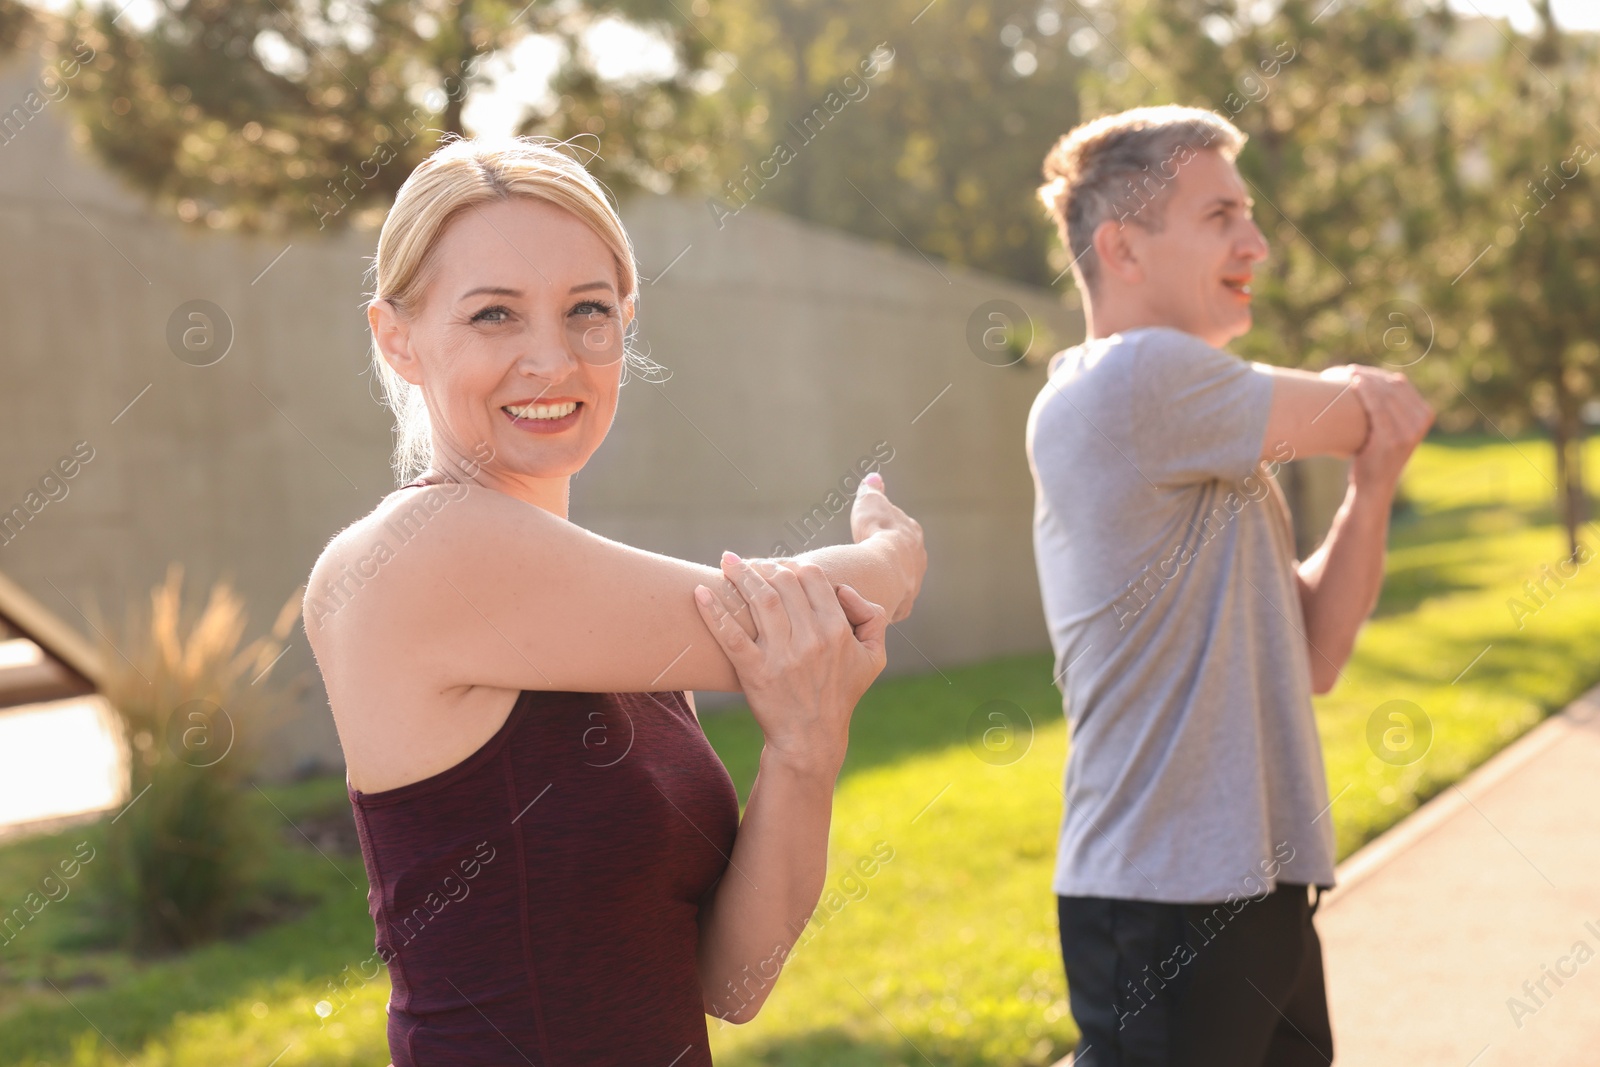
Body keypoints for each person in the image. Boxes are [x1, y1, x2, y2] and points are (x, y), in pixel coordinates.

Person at [301, 135, 926, 1066]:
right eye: (494, 316)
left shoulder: (611, 631)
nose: (552, 360)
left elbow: (729, 983)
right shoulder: (416, 554)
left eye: (587, 311)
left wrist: (804, 750)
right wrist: (895, 553)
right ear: (398, 339)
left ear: (625, 322)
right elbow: (806, 604)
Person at [1027, 106, 1434, 1066]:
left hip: (1263, 881)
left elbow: (1317, 655)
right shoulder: (1134, 381)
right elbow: (1362, 411)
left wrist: (1371, 492)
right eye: (1220, 216)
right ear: (1122, 247)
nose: (1256, 241)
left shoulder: (1205, 430)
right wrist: (1367, 408)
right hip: (1168, 898)